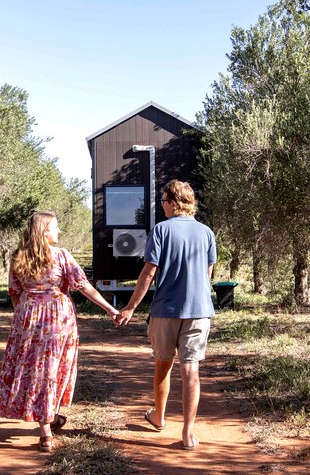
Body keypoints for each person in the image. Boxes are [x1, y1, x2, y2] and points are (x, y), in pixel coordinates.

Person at [0, 211, 118, 452]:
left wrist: (24, 318)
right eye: (55, 227)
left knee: (34, 369)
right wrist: (110, 309)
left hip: (27, 318)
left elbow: (15, 293)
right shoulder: (61, 256)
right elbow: (84, 286)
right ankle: (46, 431)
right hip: (58, 319)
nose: (58, 231)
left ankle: (48, 418)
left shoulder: (19, 257)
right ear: (44, 231)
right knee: (53, 369)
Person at [115, 180, 217, 450]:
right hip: (199, 310)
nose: (161, 206)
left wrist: (130, 307)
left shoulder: (161, 230)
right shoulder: (206, 232)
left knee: (163, 364)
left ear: (173, 203)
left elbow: (149, 272)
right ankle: (187, 434)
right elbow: (207, 273)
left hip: (166, 310)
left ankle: (159, 417)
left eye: (163, 201)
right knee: (191, 370)